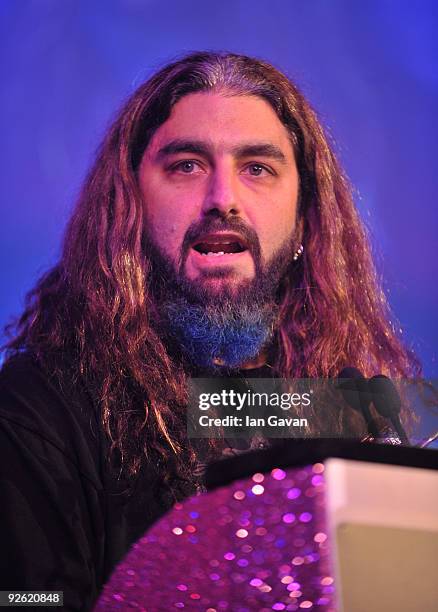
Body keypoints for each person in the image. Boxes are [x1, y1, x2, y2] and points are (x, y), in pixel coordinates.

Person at [0, 51, 420, 610]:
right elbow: (28, 600)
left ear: (305, 221)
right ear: (129, 208)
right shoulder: (41, 406)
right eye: (187, 165)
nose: (223, 198)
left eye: (258, 168)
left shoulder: (351, 403)